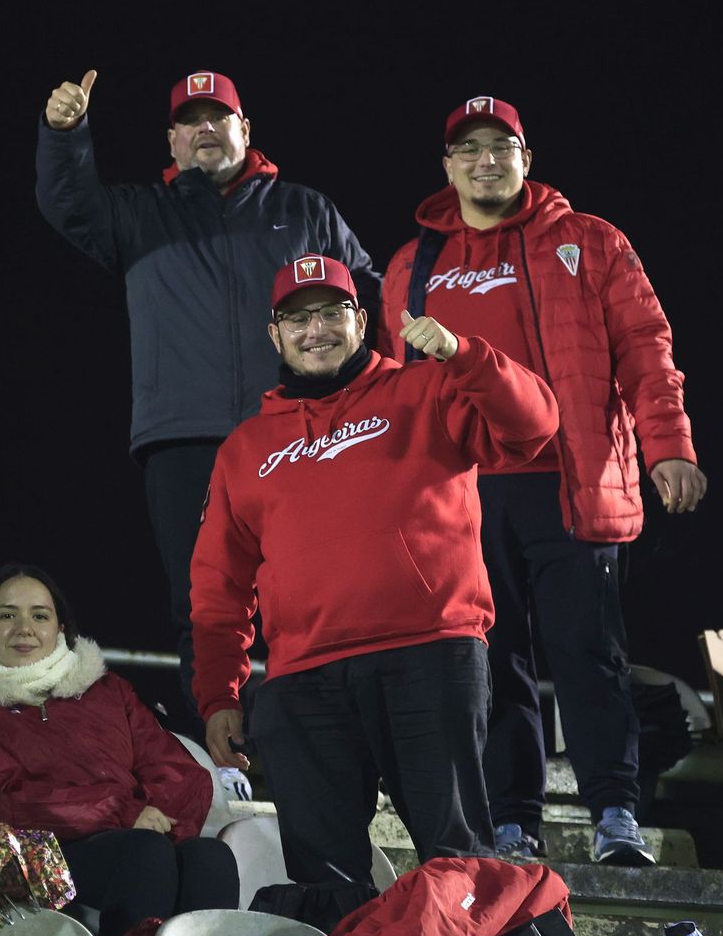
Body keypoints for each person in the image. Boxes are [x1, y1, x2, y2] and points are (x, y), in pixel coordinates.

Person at [379, 96, 706, 865]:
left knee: (586, 651)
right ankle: (513, 821)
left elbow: (646, 347)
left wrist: (670, 447)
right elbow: (391, 392)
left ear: (527, 159)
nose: (487, 160)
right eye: (470, 149)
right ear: (448, 166)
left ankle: (615, 816)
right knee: (491, 662)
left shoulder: (589, 242)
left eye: (503, 146)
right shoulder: (411, 265)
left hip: (568, 479)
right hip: (460, 494)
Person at [194, 255, 559, 892]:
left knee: (457, 862)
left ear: (360, 321)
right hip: (304, 681)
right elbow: (218, 585)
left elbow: (534, 426)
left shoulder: (429, 389)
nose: (316, 331)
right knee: (323, 877)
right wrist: (220, 695)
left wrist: (463, 354)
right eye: (297, 318)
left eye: (332, 313)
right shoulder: (244, 448)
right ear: (274, 335)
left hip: (429, 656)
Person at [36, 68, 381, 729]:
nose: (205, 130)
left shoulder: (303, 210)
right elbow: (67, 204)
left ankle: (319, 740)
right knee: (205, 601)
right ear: (172, 141)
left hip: (296, 430)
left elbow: (372, 296)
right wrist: (64, 133)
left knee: (314, 590)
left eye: (217, 117)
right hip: (183, 440)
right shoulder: (140, 214)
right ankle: (224, 756)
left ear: (244, 131)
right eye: (190, 121)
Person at [0, 564, 238, 936]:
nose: (24, 628)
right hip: (35, 852)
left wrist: (159, 817)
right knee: (144, 853)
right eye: (7, 615)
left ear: (60, 628)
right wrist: (125, 814)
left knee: (209, 858)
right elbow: (6, 799)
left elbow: (176, 769)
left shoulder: (106, 690)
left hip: (132, 836)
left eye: (39, 615)